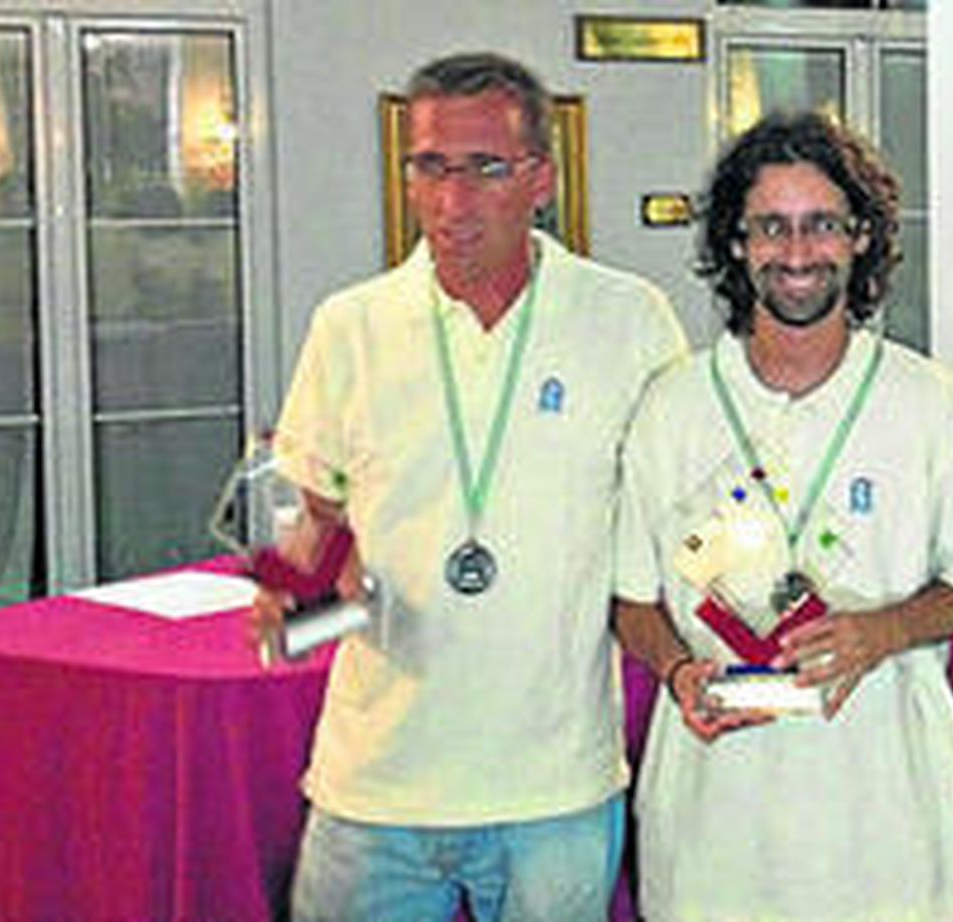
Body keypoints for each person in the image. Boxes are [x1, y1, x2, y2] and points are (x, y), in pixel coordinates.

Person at [252, 52, 685, 922]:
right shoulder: (351, 326)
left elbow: (680, 520)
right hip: (376, 785)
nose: (452, 202)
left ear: (541, 180)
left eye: (485, 168)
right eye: (430, 166)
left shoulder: (628, 320)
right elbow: (303, 517)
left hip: (554, 785)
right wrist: (299, 592)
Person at [611, 111, 953, 922]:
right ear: (736, 242)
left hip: (889, 821)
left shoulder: (930, 403)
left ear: (861, 237)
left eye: (822, 224)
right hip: (715, 822)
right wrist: (678, 672)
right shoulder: (672, 405)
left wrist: (879, 632)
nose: (797, 251)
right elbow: (632, 602)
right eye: (771, 227)